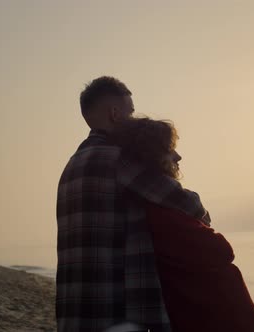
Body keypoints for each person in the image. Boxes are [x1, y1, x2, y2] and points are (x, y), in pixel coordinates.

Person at [56, 76, 211, 332]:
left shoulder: (71, 166)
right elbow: (190, 206)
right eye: (130, 111)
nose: (133, 118)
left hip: (74, 311)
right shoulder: (118, 160)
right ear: (115, 114)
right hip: (114, 314)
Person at [110, 118, 254, 332]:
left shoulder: (157, 204)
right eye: (169, 150)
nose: (178, 156)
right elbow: (220, 250)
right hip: (208, 314)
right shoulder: (161, 210)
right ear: (152, 157)